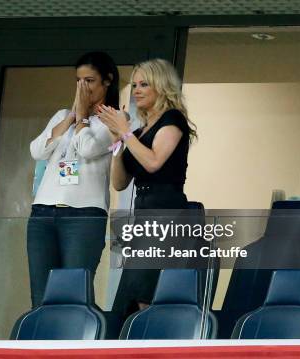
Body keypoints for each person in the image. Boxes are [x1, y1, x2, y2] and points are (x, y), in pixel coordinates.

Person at [98, 58, 197, 323]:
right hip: (143, 211)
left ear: (161, 87)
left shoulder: (172, 120)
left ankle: (151, 341)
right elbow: (119, 183)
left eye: (144, 84)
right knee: (133, 292)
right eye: (135, 85)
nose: (137, 90)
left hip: (166, 208)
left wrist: (125, 132)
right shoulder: (139, 131)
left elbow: (154, 162)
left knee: (146, 289)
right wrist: (116, 140)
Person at [27, 51, 119, 307]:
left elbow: (88, 149)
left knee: (73, 293)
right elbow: (37, 151)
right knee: (40, 295)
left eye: (89, 81)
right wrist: (71, 116)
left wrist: (82, 118)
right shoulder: (62, 116)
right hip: (43, 211)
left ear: (107, 81)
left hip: (84, 214)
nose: (83, 88)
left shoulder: (112, 121)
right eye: (78, 81)